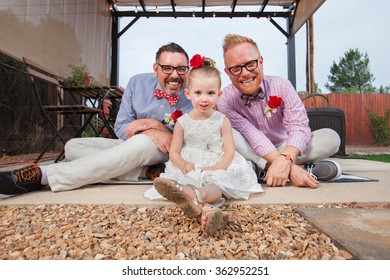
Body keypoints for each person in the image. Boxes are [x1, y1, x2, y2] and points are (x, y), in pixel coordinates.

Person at [0, 42, 193, 198]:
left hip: (165, 151)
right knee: (73, 147)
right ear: (156, 68)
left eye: (181, 69)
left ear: (188, 69)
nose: (175, 75)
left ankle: (45, 176)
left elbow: (190, 140)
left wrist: (157, 126)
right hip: (130, 145)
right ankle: (145, 172)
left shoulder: (195, 93)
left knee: (142, 142)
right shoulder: (136, 83)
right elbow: (121, 127)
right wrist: (151, 130)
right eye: (167, 68)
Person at [145, 54, 263, 236]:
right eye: (198, 93)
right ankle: (205, 208)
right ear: (188, 93)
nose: (204, 99)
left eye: (210, 93)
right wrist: (183, 164)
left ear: (219, 94)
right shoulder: (183, 122)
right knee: (190, 177)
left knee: (217, 184)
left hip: (217, 161)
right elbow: (174, 152)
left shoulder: (222, 120)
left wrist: (219, 166)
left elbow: (230, 150)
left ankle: (193, 195)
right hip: (191, 163)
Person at [216, 34, 342, 189]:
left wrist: (286, 158)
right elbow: (251, 134)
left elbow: (298, 126)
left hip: (286, 146)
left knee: (331, 137)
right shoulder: (224, 100)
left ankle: (259, 170)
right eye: (236, 68)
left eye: (250, 64)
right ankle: (303, 170)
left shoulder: (282, 85)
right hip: (252, 150)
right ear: (228, 72)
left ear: (261, 61)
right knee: (227, 134)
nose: (245, 73)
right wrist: (284, 162)